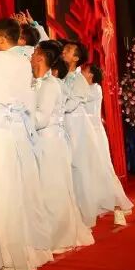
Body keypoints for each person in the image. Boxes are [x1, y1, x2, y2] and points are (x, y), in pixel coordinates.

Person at [0, 17, 50, 270]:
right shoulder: (23, 62)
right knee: (16, 193)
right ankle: (24, 253)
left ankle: (4, 258)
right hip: (17, 132)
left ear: (0, 38)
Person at [32, 41, 94, 253]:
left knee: (52, 189)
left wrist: (19, 117)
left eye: (35, 52)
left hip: (50, 141)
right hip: (47, 140)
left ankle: (58, 236)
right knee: (47, 188)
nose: (31, 55)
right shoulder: (43, 82)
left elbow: (41, 119)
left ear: (41, 57)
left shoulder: (50, 85)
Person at [62, 40, 107, 227]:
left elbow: (71, 105)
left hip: (77, 126)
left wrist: (54, 107)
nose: (64, 51)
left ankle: (85, 212)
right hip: (64, 124)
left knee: (79, 168)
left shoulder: (80, 80)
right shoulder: (61, 75)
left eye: (68, 50)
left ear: (76, 58)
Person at [81, 64, 134, 226]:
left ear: (90, 74)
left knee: (103, 169)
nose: (81, 73)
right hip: (85, 133)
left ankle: (117, 205)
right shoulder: (87, 88)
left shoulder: (95, 89)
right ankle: (95, 204)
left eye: (84, 71)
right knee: (90, 170)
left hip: (95, 134)